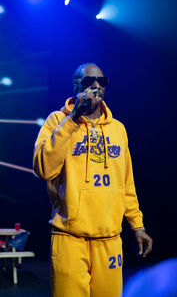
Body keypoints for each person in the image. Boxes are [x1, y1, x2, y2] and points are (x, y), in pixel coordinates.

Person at [33, 63, 153, 297]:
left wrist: (137, 225)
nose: (96, 85)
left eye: (102, 81)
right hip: (69, 237)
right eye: (89, 81)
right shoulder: (57, 121)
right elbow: (43, 169)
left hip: (109, 239)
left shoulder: (118, 129)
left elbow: (126, 182)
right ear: (76, 85)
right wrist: (72, 120)